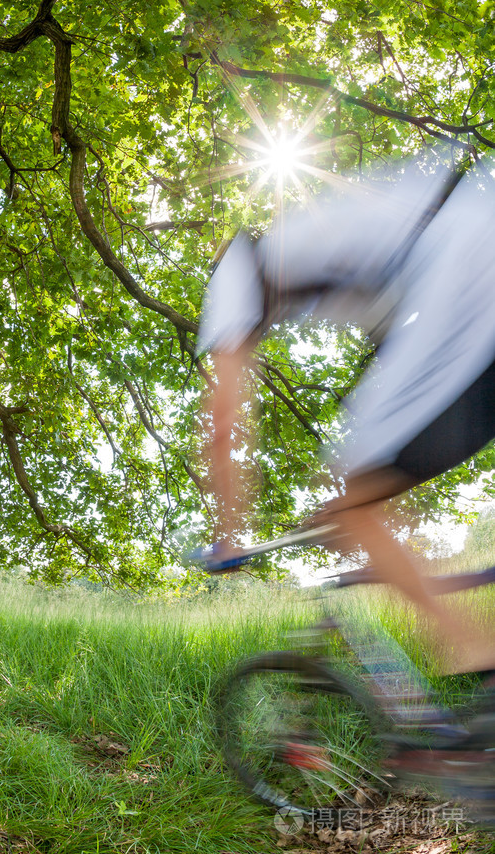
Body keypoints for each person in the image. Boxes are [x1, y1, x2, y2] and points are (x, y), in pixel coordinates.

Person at [195, 154, 495, 678]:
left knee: (354, 495)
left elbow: (224, 424)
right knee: (363, 489)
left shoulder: (235, 271)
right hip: (471, 230)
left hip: (458, 266)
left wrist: (228, 533)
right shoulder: (322, 248)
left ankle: (475, 649)